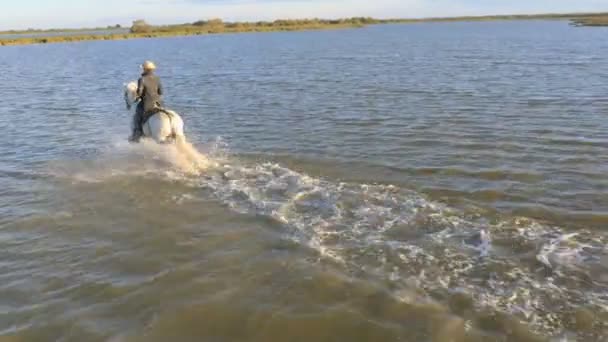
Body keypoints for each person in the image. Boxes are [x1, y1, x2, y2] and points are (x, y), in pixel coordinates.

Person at [129, 60, 164, 142]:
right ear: (152, 69)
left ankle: (136, 134)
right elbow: (161, 92)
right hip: (159, 103)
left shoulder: (142, 79)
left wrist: (137, 96)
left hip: (147, 104)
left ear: (144, 69)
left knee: (137, 115)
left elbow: (140, 93)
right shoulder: (157, 78)